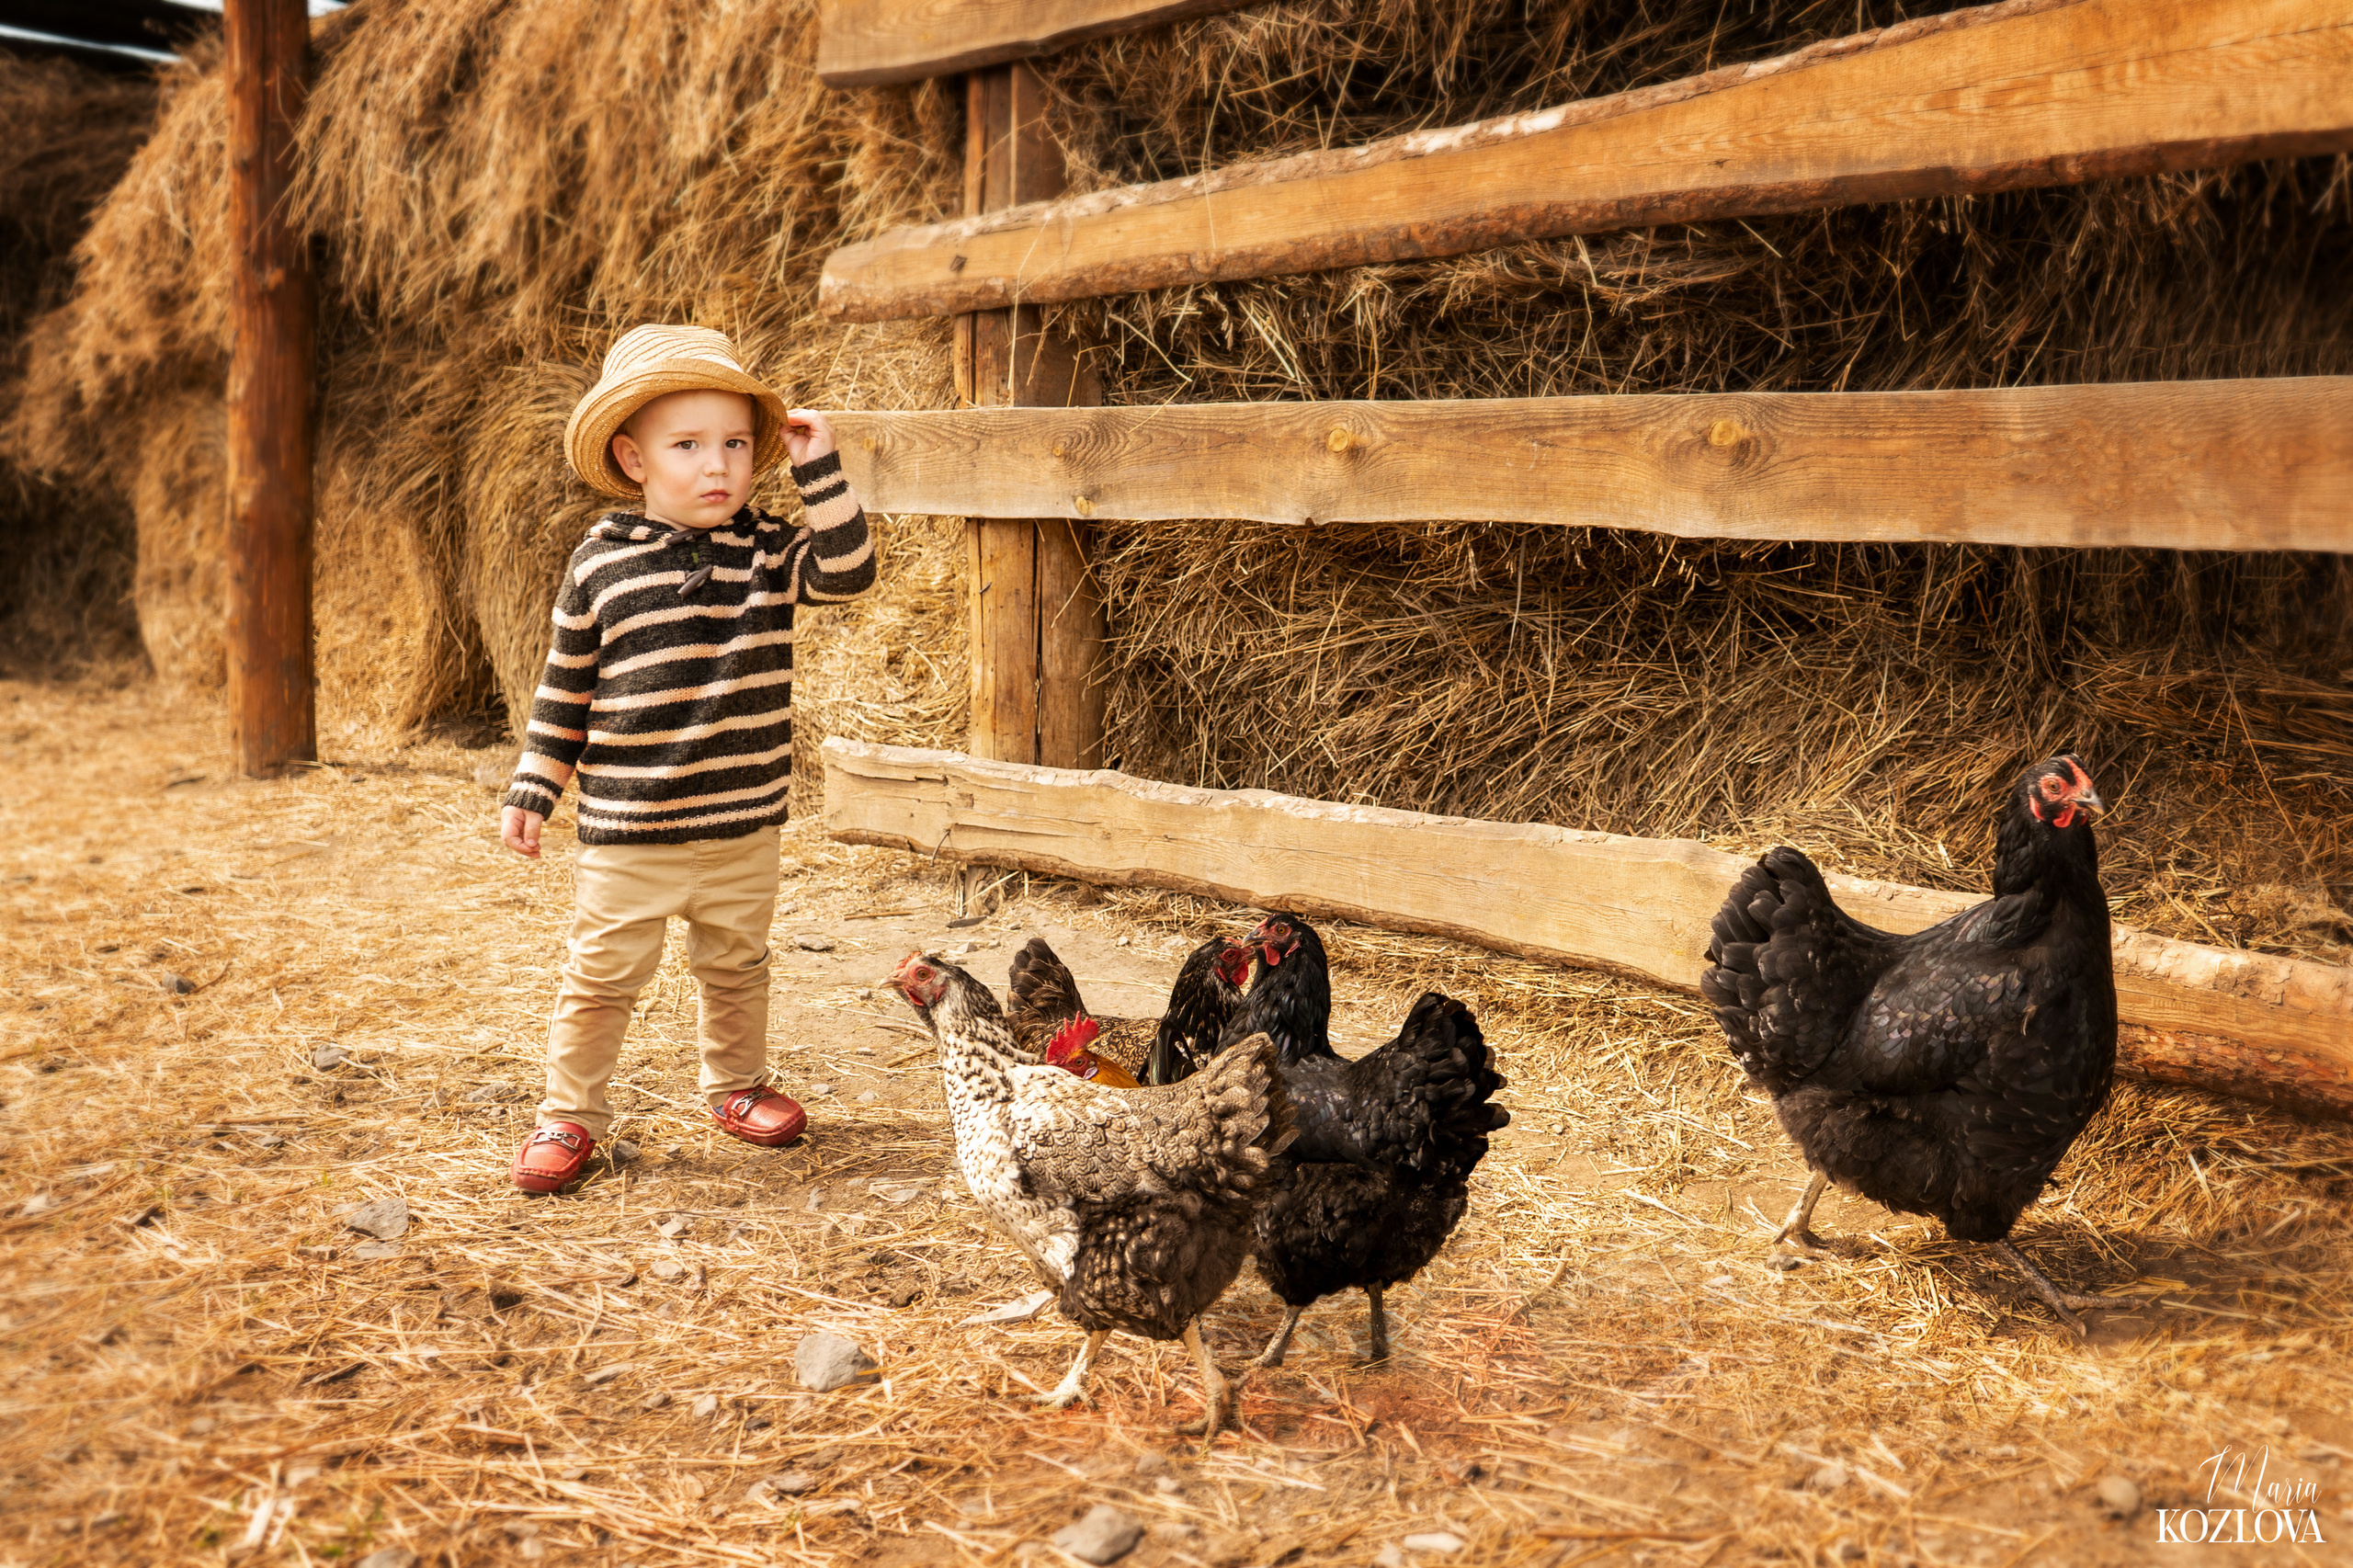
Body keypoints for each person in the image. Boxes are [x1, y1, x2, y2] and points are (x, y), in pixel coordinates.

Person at [496, 324, 875, 1194]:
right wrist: (534, 787)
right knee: (601, 979)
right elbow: (564, 693)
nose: (718, 466)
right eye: (689, 446)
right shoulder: (601, 567)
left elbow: (850, 572)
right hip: (631, 831)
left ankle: (736, 1086)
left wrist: (819, 468)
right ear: (633, 459)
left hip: (743, 823)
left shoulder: (769, 552)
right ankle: (570, 1113)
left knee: (737, 965)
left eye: (736, 444)